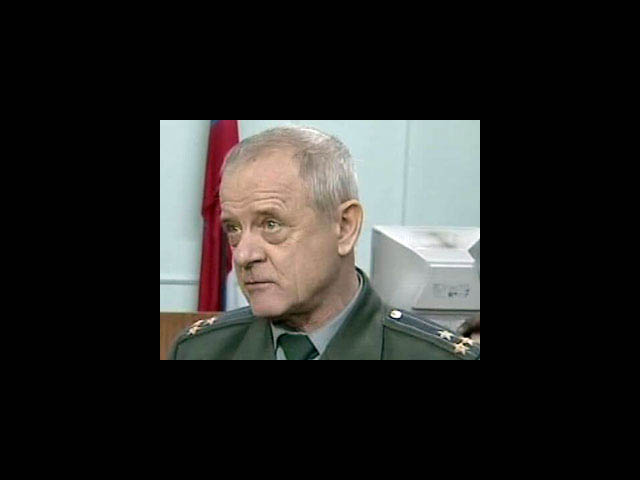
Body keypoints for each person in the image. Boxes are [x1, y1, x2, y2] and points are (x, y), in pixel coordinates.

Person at [168, 126, 480, 360]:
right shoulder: (199, 352)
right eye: (233, 229)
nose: (243, 255)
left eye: (271, 224)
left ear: (345, 227)